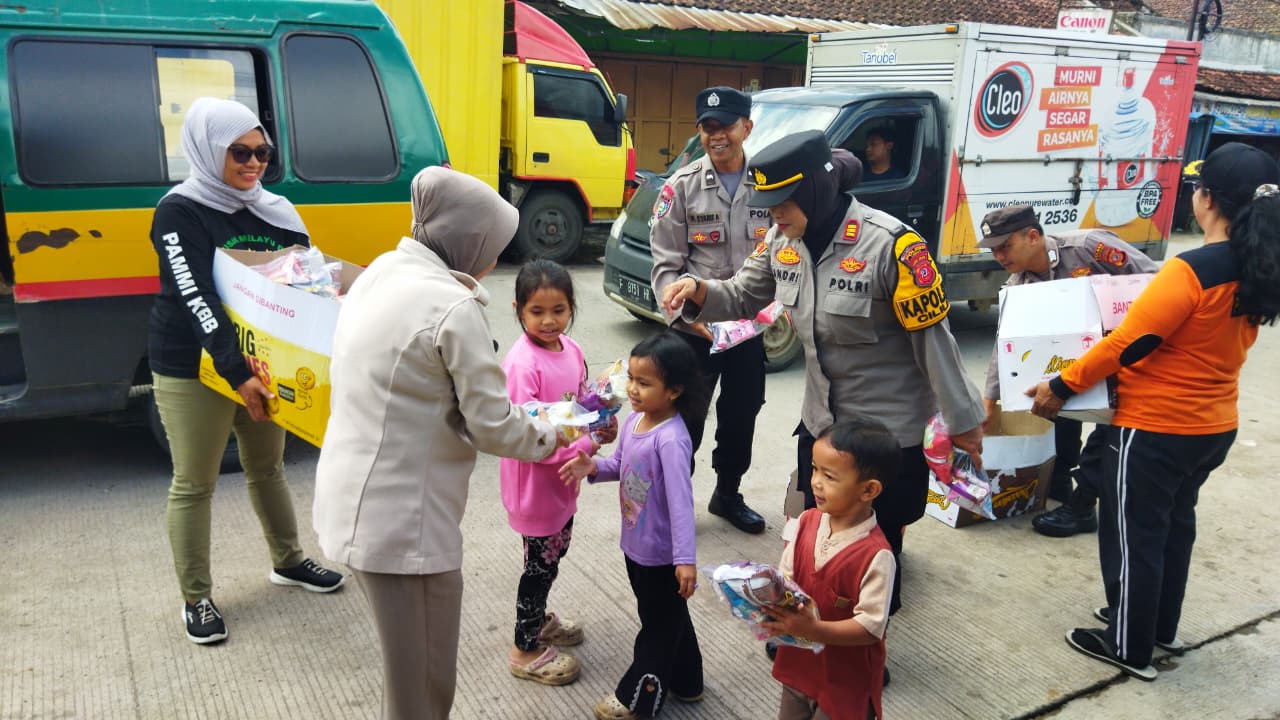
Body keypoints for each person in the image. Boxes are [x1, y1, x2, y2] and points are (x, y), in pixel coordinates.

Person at [662, 130, 985, 614]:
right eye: (767, 204)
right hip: (821, 425)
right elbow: (744, 294)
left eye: (781, 203)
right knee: (819, 533)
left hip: (885, 435)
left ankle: (865, 645)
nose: (772, 214)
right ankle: (814, 630)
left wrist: (964, 423)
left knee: (878, 547)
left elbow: (934, 342)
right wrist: (697, 289)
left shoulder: (892, 247)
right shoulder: (781, 241)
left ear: (815, 188)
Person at [312, 167, 563, 720]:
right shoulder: (450, 307)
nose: (495, 260)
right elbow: (493, 424)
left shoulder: (382, 272)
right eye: (494, 246)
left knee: (409, 681)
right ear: (469, 241)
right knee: (425, 690)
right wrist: (559, 431)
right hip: (403, 526)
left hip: (357, 499)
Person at [1028, 142, 1280, 681]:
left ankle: (1127, 644)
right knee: (1172, 528)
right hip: (1213, 426)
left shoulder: (1193, 269)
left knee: (1133, 533)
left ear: (1208, 199)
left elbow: (1129, 343)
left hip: (1155, 428)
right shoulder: (1258, 263)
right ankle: (1155, 624)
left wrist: (1061, 384)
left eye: (1197, 186)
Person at [148, 97, 345, 646]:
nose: (254, 162)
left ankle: (289, 562)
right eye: (240, 152)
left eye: (262, 152)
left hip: (264, 364)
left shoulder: (275, 209)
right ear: (210, 151)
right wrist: (237, 373)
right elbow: (195, 293)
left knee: (269, 467)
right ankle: (197, 597)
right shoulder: (179, 211)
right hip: (195, 366)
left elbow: (308, 282)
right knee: (195, 483)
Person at [977, 204, 1157, 538]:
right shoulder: (1020, 286)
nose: (999, 256)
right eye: (993, 249)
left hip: (1128, 354)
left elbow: (1153, 281)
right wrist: (990, 399)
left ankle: (1083, 504)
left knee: (1112, 428)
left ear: (1032, 236)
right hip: (1076, 363)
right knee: (1045, 398)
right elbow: (1004, 345)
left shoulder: (1088, 247)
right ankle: (1057, 481)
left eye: (1005, 246)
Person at [559, 332, 708, 720]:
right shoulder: (635, 421)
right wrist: (593, 466)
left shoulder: (672, 440)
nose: (633, 389)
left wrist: (685, 559)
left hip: (660, 554)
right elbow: (621, 466)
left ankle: (636, 697)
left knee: (656, 629)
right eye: (632, 379)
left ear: (674, 390)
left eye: (645, 383)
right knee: (668, 615)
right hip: (635, 545)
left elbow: (681, 505)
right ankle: (688, 682)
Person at [650, 85, 771, 534]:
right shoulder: (681, 188)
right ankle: (675, 506)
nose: (715, 136)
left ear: (747, 128)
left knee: (743, 413)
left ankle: (727, 495)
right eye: (707, 127)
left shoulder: (769, 183)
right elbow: (665, 267)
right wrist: (685, 318)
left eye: (725, 127)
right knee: (685, 421)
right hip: (693, 331)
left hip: (749, 330)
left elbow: (785, 254)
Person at [501, 259, 617, 685]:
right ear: (518, 309)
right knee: (538, 568)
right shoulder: (521, 365)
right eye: (537, 312)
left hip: (563, 484)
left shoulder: (572, 350)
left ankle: (538, 621)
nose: (550, 321)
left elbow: (583, 402)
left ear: (571, 308)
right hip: (536, 486)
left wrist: (604, 417)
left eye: (559, 310)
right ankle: (523, 647)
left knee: (551, 555)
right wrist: (591, 442)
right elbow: (529, 438)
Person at [762, 418, 898, 720]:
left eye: (830, 476)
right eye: (814, 469)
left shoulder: (876, 556)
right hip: (799, 663)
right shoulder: (806, 522)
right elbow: (786, 579)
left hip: (846, 678)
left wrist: (814, 630)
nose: (816, 482)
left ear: (868, 489)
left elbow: (870, 627)